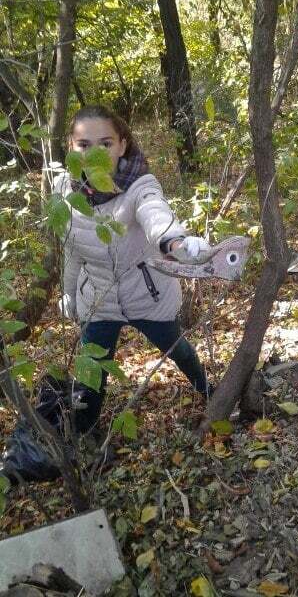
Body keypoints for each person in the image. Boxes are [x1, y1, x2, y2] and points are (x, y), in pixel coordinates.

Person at [54, 105, 211, 434]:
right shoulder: (63, 192)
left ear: (123, 145)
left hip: (147, 293)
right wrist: (67, 293)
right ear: (70, 146)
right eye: (84, 145)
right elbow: (71, 249)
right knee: (91, 372)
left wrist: (177, 243)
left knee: (178, 349)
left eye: (106, 144)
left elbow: (155, 212)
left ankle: (209, 390)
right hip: (98, 298)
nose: (95, 154)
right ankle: (86, 437)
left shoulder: (140, 185)